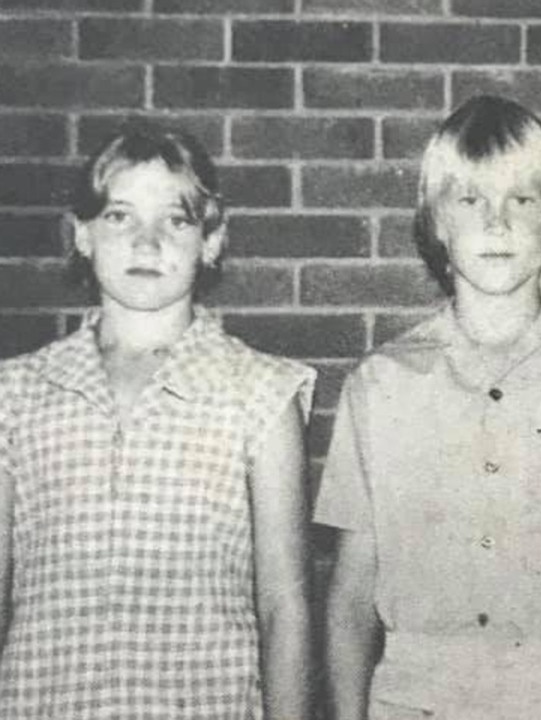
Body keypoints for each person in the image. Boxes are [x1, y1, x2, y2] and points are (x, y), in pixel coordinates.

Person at [316, 95, 541, 720]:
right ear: (436, 224)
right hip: (416, 697)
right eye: (470, 199)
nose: (497, 222)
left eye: (522, 199)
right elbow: (350, 601)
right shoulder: (380, 386)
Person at [0, 124, 315, 719]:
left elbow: (286, 607)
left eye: (175, 220)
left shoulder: (262, 394)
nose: (147, 243)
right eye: (120, 217)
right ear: (83, 235)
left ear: (212, 240)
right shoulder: (14, 394)